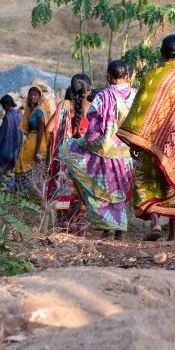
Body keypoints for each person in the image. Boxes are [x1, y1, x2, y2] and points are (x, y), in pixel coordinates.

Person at [119, 35, 175, 241]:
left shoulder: (151, 76)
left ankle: (155, 223)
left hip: (148, 142)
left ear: (161, 53)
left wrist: (136, 140)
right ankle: (174, 234)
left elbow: (139, 109)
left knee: (146, 181)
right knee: (172, 183)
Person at [62, 60, 138, 238]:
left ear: (108, 77)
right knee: (120, 189)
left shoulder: (102, 97)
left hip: (105, 152)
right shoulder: (136, 95)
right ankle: (119, 229)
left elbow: (94, 127)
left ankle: (107, 227)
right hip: (127, 152)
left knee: (104, 188)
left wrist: (84, 143)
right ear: (127, 76)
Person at [45, 74, 92, 229]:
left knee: (63, 189)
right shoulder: (90, 106)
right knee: (80, 192)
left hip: (64, 158)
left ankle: (62, 223)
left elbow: (49, 128)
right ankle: (79, 224)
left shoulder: (63, 105)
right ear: (87, 91)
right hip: (83, 159)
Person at [14, 86, 50, 195]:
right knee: (29, 165)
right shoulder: (32, 109)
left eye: (35, 95)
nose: (32, 97)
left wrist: (36, 151)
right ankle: (32, 193)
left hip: (37, 142)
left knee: (23, 162)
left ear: (39, 96)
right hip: (32, 140)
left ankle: (32, 193)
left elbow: (40, 132)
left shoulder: (39, 111)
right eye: (30, 94)